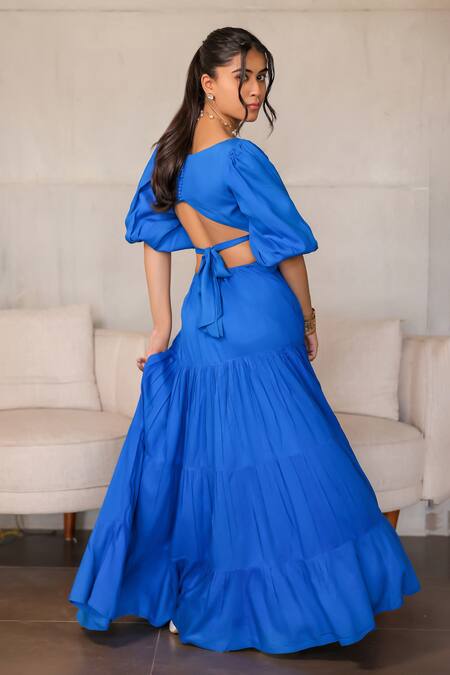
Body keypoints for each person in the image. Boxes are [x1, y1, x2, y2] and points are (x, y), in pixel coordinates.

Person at [68, 26, 421, 654]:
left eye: (262, 78)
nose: (256, 90)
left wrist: (161, 326)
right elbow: (288, 250)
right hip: (259, 308)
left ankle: (207, 595)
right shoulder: (240, 158)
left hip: (204, 315)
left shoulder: (170, 155)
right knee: (294, 455)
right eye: (244, 77)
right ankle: (299, 603)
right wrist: (308, 318)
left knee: (222, 460)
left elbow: (152, 241)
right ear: (208, 83)